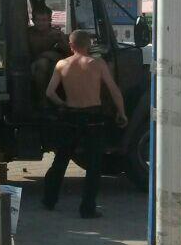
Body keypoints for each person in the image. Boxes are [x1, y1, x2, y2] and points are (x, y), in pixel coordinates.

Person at [42, 30, 128, 219]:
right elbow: (114, 90)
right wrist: (121, 113)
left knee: (61, 160)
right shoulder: (97, 64)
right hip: (93, 118)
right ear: (89, 44)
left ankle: (49, 200)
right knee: (94, 164)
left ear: (71, 45)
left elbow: (50, 92)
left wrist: (62, 104)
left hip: (71, 116)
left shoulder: (62, 64)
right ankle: (87, 208)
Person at [27, 3, 68, 102]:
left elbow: (67, 53)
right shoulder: (28, 34)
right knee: (42, 63)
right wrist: (43, 56)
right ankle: (43, 100)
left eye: (44, 20)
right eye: (38, 20)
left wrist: (61, 42)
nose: (41, 23)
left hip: (54, 65)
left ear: (50, 20)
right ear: (33, 20)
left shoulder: (57, 34)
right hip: (33, 65)